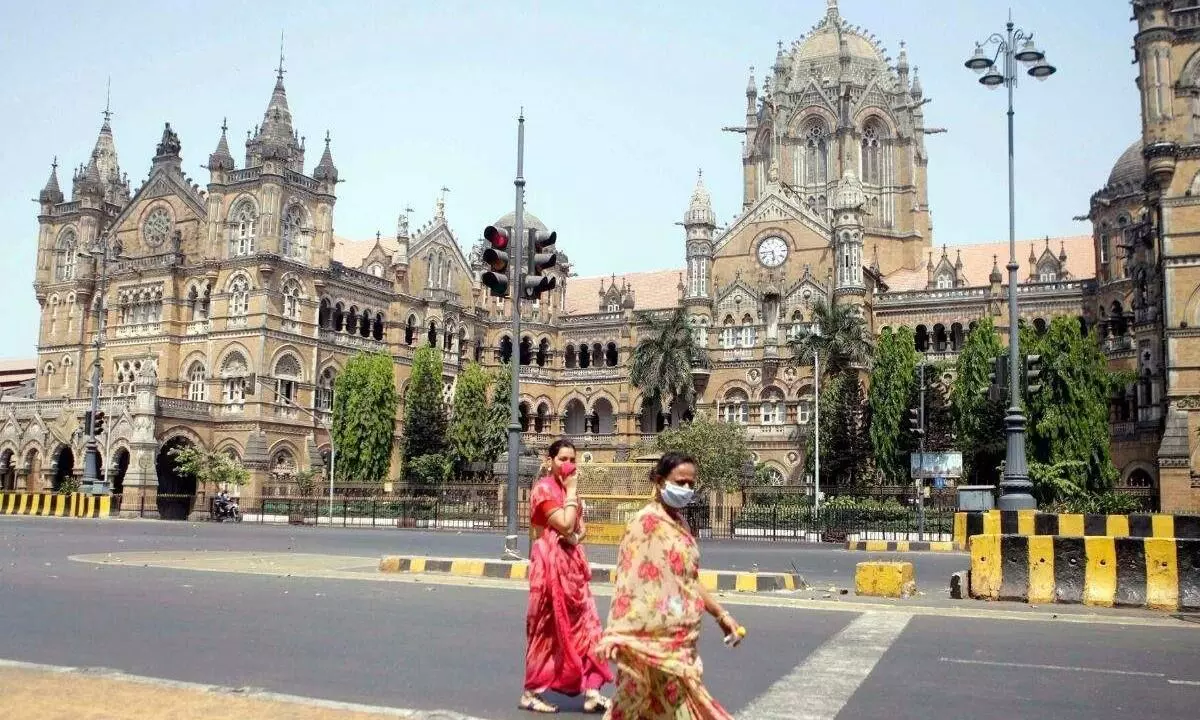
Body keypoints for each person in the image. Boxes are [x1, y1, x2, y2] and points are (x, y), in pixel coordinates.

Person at [596, 451, 742, 720]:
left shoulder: (680, 522)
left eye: (691, 484)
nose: (686, 489)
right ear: (660, 481)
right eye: (680, 482)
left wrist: (721, 614)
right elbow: (629, 582)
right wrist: (618, 633)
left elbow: (689, 578)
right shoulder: (645, 522)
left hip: (680, 637)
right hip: (650, 641)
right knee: (643, 705)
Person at [520, 438, 613, 714]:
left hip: (572, 570)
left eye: (572, 459)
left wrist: (572, 528)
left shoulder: (568, 491)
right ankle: (531, 691)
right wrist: (572, 498)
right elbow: (564, 523)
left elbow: (579, 529)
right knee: (547, 630)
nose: (568, 464)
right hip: (549, 569)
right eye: (562, 459)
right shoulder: (543, 490)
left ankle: (593, 690)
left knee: (590, 627)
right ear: (549, 461)